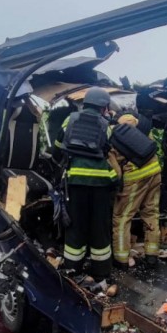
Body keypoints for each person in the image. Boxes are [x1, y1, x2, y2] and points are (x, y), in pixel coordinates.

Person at [55, 87, 118, 281]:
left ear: (86, 103)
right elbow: (108, 150)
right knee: (99, 226)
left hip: (75, 182)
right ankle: (101, 271)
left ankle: (73, 268)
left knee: (75, 226)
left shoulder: (69, 120)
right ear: (103, 106)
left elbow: (57, 147)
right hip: (101, 184)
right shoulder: (106, 125)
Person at [109, 112, 161, 270]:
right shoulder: (140, 127)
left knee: (122, 217)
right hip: (155, 171)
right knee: (151, 213)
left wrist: (116, 187)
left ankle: (121, 259)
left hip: (134, 177)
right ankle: (152, 256)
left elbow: (116, 172)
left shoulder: (112, 136)